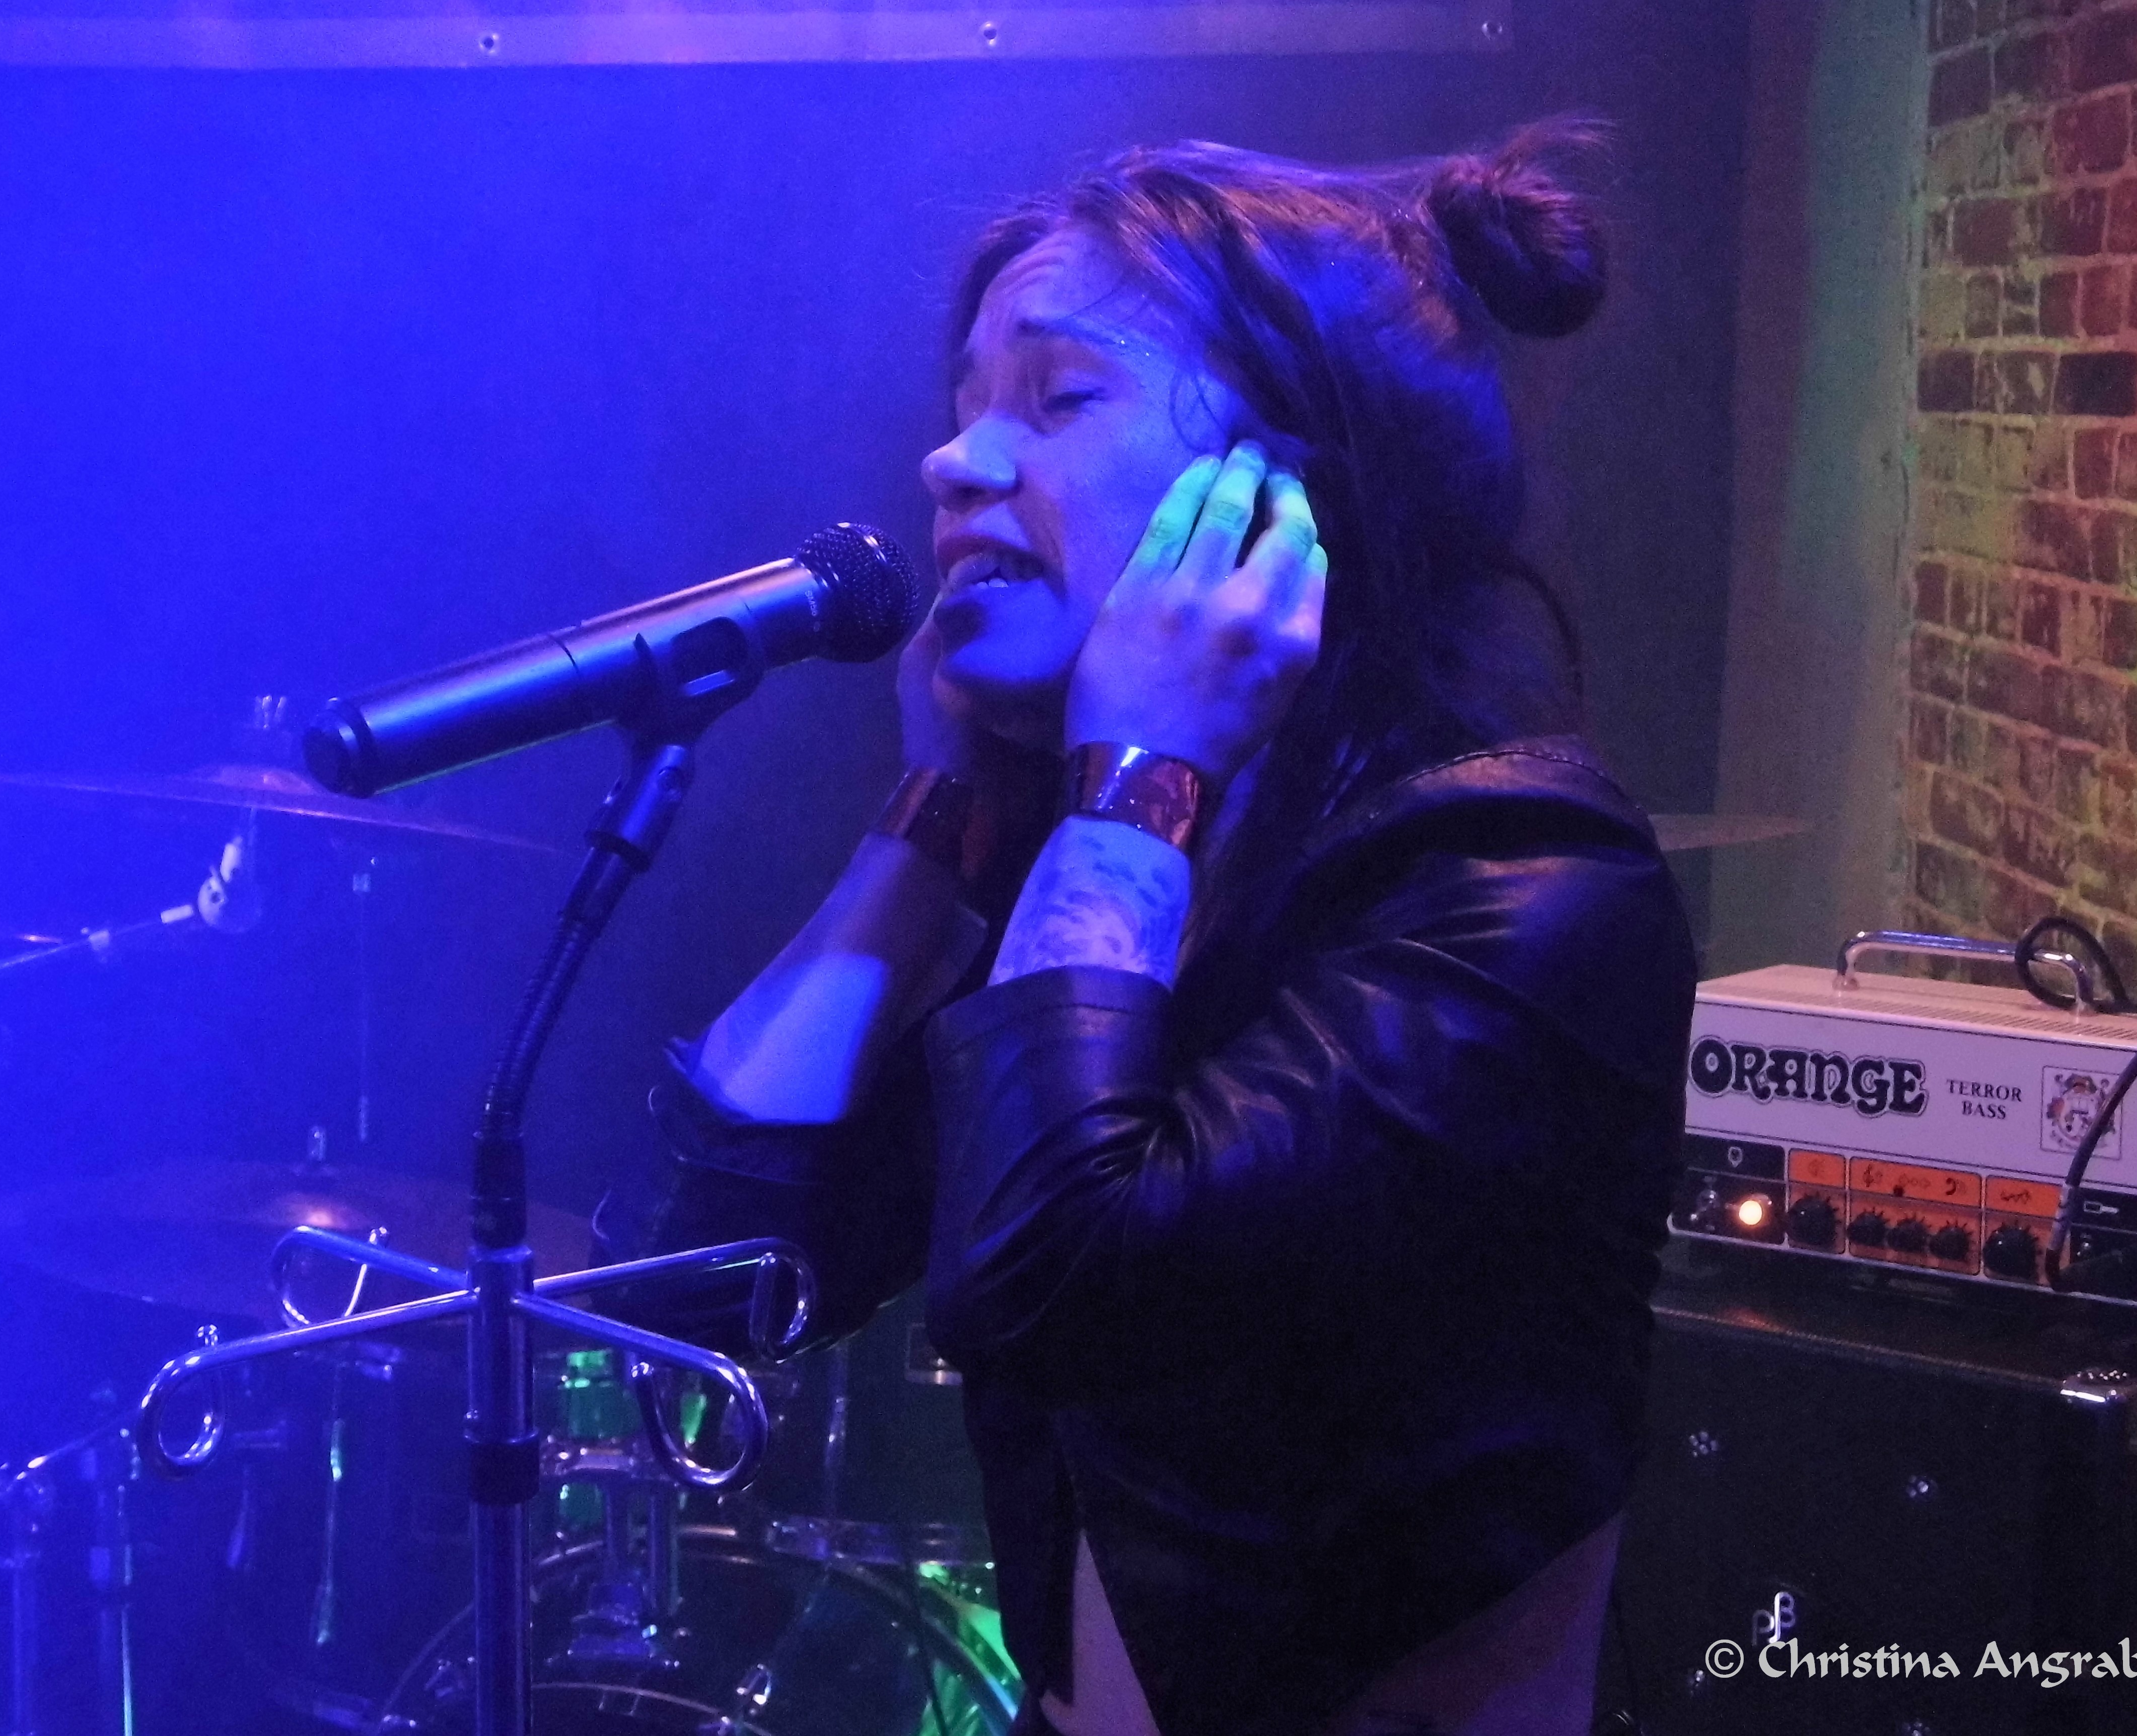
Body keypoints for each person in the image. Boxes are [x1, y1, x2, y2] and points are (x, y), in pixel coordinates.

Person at [595, 124, 1698, 1736]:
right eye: (965, 402)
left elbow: (1059, 1279)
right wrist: (936, 813)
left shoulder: (1519, 890)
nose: (954, 464)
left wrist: (1137, 777)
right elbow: (695, 1283)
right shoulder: (1118, 889)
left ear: (1276, 506)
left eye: (1057, 399)